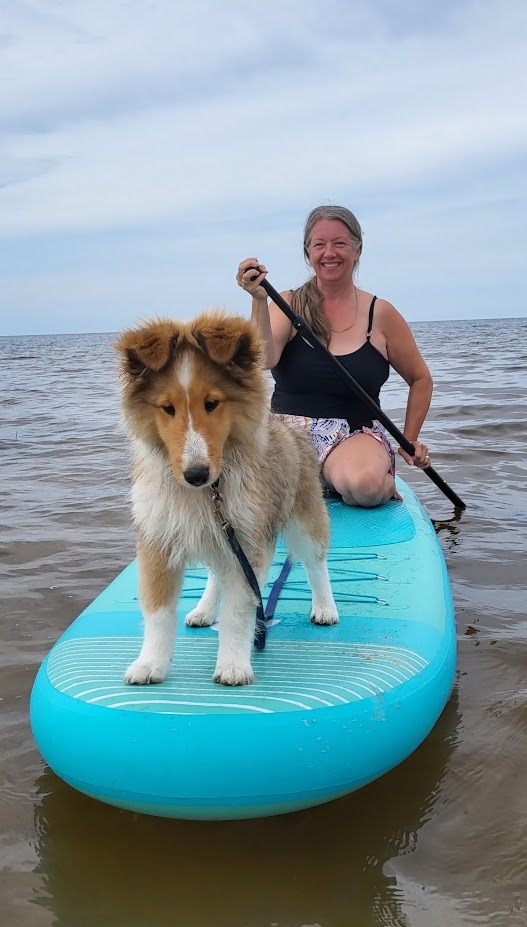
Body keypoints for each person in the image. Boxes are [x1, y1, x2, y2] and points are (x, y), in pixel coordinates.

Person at [236, 204, 433, 508]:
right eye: (319, 244)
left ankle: (376, 477)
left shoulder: (381, 313)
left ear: (357, 250)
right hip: (287, 438)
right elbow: (263, 360)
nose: (329, 253)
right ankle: (321, 483)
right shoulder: (287, 304)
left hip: (353, 436)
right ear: (308, 253)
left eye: (339, 243)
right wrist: (258, 301)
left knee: (366, 487)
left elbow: (420, 379)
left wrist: (410, 439)